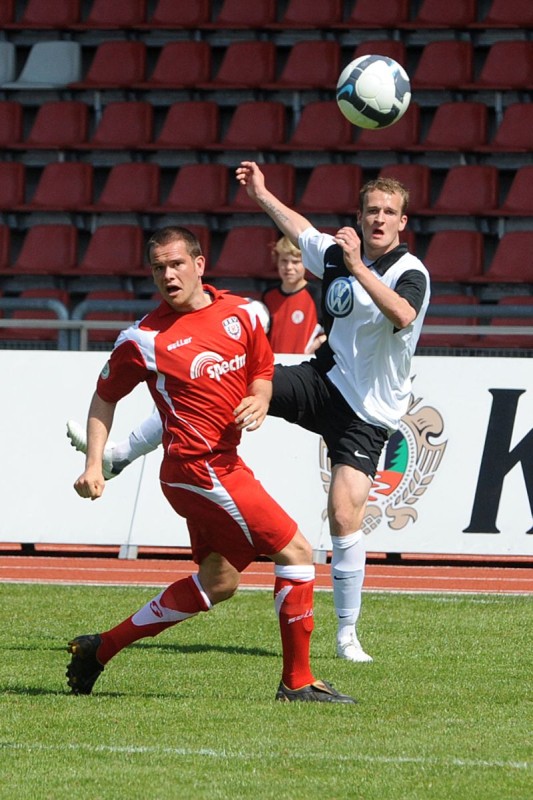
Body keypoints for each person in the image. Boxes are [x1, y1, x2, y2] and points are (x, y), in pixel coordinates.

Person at [67, 166, 430, 664]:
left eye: (389, 212)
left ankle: (347, 635)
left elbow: (402, 315)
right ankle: (119, 455)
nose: (379, 219)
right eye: (372, 211)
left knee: (344, 513)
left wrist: (356, 265)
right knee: (218, 382)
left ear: (402, 222)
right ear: (361, 217)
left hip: (369, 410)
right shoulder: (336, 254)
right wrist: (261, 193)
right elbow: (300, 230)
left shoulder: (410, 271)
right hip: (325, 379)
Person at [66, 225, 354, 704]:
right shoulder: (142, 338)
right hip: (197, 470)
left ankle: (100, 649)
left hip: (221, 465)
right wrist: (96, 463)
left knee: (219, 583)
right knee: (299, 553)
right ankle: (298, 682)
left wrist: (260, 399)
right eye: (158, 268)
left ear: (200, 265)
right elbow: (104, 397)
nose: (167, 275)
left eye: (176, 264)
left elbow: (262, 370)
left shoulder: (240, 313)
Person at [263, 235, 326, 354]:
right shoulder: (268, 295)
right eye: (284, 261)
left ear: (306, 263)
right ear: (276, 260)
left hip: (303, 366)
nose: (288, 267)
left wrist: (319, 342)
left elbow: (336, 331)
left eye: (296, 262)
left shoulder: (317, 295)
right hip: (274, 365)